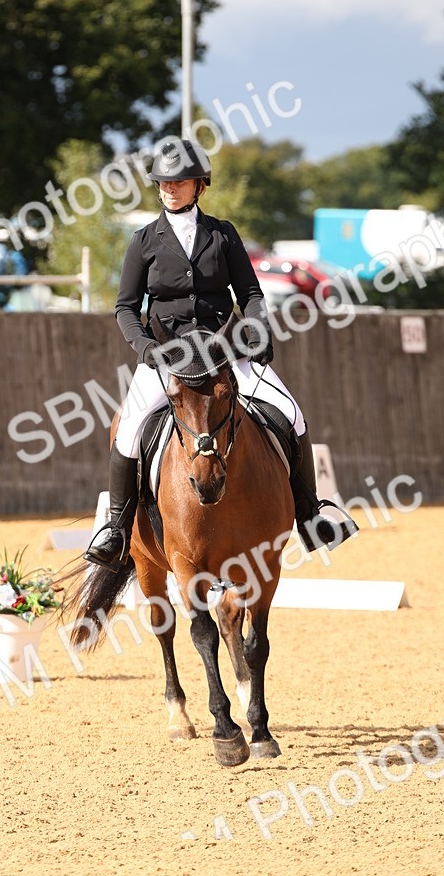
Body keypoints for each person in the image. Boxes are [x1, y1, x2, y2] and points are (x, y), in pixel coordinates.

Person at [84, 139, 358, 572]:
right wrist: (145, 346)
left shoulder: (223, 234)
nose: (169, 189)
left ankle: (310, 516)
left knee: (291, 413)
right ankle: (117, 530)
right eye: (163, 182)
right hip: (167, 356)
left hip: (224, 352)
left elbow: (250, 293)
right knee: (129, 430)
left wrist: (259, 329)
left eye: (179, 182)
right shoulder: (144, 240)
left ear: (200, 185)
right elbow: (125, 307)